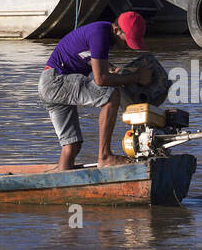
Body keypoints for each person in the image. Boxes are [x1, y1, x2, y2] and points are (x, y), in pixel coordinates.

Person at [38, 12, 154, 170]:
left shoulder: (101, 33)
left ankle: (59, 181)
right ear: (116, 30)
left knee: (72, 145)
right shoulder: (100, 34)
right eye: (126, 40)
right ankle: (105, 156)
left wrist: (113, 69)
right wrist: (137, 77)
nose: (127, 45)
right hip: (57, 81)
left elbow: (92, 59)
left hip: (48, 85)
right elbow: (101, 79)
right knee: (111, 96)